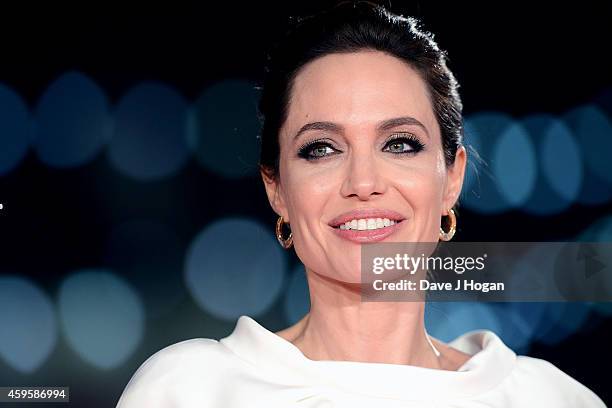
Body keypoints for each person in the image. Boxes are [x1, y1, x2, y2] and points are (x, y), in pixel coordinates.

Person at [116, 2, 607, 406]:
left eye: (399, 143)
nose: (363, 182)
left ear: (452, 178)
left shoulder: (549, 397)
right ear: (277, 189)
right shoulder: (189, 390)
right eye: (321, 149)